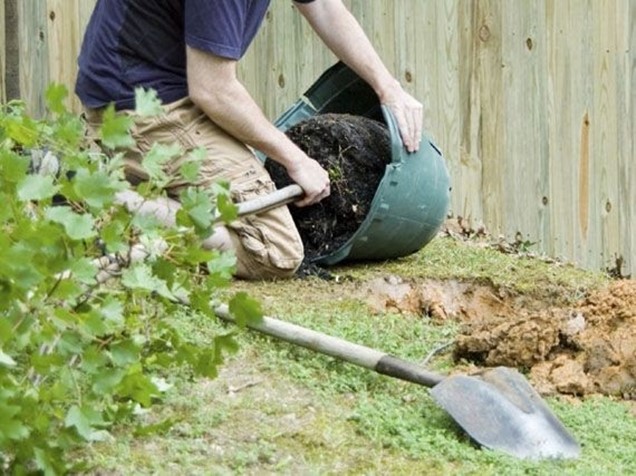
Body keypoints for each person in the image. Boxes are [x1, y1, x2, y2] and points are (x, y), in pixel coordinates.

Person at [75, 0, 424, 280]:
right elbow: (213, 89)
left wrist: (387, 87)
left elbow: (324, 7)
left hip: (153, 91)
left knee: (231, 210)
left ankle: (127, 193)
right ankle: (94, 198)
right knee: (275, 249)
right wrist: (296, 159)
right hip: (146, 109)